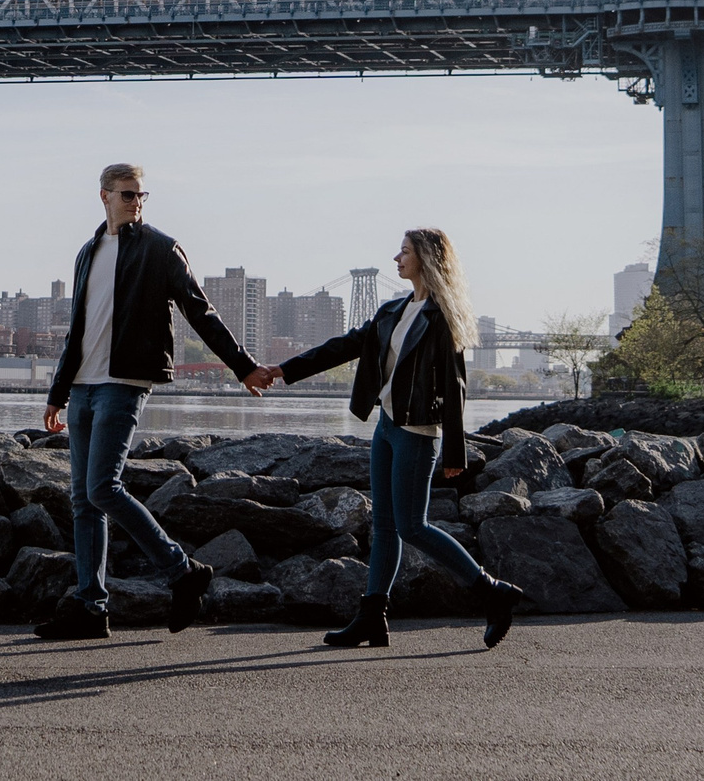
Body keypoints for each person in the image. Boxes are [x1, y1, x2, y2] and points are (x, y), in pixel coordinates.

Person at [246, 227, 524, 649]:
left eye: (404, 252)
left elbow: (455, 386)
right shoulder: (393, 309)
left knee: (413, 527)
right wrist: (283, 370)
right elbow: (345, 345)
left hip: (417, 433)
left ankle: (492, 592)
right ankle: (372, 618)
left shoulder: (442, 316)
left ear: (427, 259)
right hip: (388, 426)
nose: (397, 259)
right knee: (385, 526)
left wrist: (454, 450)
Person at [33, 162, 263, 642]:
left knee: (101, 488)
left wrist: (242, 366)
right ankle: (91, 608)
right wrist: (57, 391)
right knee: (83, 501)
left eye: (141, 195)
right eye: (126, 195)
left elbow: (201, 310)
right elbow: (78, 327)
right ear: (104, 196)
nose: (135, 203)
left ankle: (181, 571)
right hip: (82, 386)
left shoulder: (161, 249)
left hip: (124, 382)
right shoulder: (88, 251)